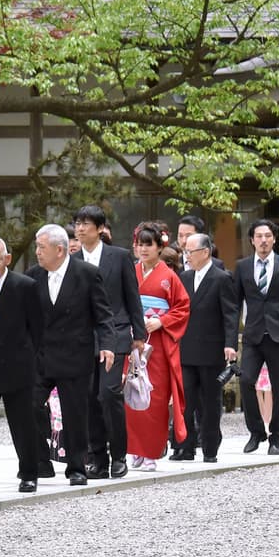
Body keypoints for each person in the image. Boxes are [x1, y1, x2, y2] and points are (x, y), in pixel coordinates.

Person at [28, 224, 116, 486]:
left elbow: (103, 314)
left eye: (41, 247)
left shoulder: (87, 274)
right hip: (41, 356)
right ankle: (39, 462)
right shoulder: (34, 276)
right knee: (29, 407)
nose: (37, 252)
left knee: (76, 414)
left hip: (75, 354)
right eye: (36, 247)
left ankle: (77, 467)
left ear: (59, 249)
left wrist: (108, 344)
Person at [70, 204, 145, 481]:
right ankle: (97, 457)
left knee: (108, 393)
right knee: (88, 397)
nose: (80, 228)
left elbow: (132, 295)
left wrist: (139, 334)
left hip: (116, 332)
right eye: (78, 223)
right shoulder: (73, 260)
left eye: (86, 223)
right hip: (83, 336)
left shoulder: (120, 256)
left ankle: (119, 455)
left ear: (100, 228)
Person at [0, 235, 43, 493]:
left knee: (23, 423)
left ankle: (28, 473)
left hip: (17, 365)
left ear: (7, 259)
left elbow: (37, 327)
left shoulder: (24, 285)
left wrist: (28, 358)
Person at [233, 218, 279, 455]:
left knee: (278, 387)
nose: (263, 240)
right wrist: (231, 340)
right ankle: (256, 431)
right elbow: (235, 305)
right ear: (252, 240)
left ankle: (276, 436)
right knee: (246, 381)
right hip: (253, 334)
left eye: (268, 236)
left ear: (274, 239)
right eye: (259, 236)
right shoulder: (242, 266)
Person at [125, 221, 189, 471]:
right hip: (133, 341)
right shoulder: (131, 271)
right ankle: (135, 450)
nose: (143, 249)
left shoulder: (169, 276)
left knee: (155, 396)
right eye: (139, 244)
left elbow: (183, 308)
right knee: (131, 393)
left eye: (148, 244)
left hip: (159, 344)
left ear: (159, 247)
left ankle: (151, 451)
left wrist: (161, 321)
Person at [173, 233, 238, 463]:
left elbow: (230, 314)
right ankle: (185, 447)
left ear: (205, 252)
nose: (187, 256)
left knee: (211, 402)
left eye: (190, 252)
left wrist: (230, 344)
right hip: (187, 347)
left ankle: (210, 448)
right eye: (185, 252)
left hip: (212, 350)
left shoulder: (221, 278)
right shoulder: (184, 277)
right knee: (186, 400)